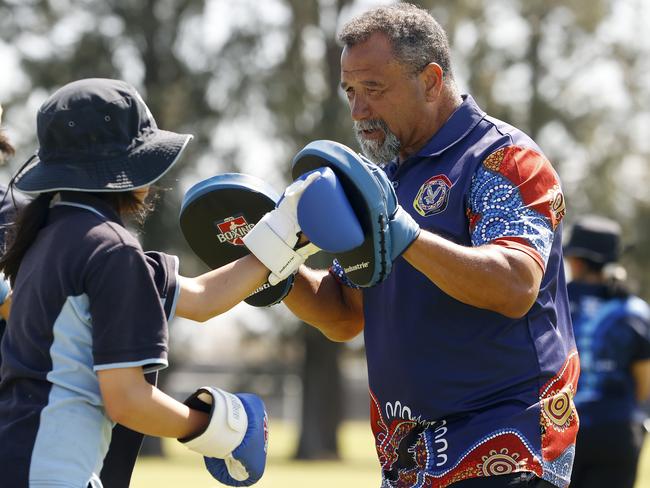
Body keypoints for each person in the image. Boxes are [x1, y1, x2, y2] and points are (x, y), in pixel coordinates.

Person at [277, 4, 578, 487]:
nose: (358, 111)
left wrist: (407, 235)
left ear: (432, 80)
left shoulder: (503, 158)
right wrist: (277, 271)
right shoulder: (381, 178)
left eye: (373, 89)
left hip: (504, 449)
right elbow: (346, 314)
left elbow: (517, 284)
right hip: (410, 463)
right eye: (350, 91)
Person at [0, 78, 270, 487]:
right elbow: (127, 400)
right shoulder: (111, 249)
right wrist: (218, 431)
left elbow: (202, 299)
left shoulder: (49, 233)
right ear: (127, 164)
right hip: (49, 473)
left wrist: (288, 241)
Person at [564, 215, 650, 488]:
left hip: (562, 431)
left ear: (576, 260)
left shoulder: (555, 302)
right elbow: (644, 382)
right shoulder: (635, 310)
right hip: (618, 432)